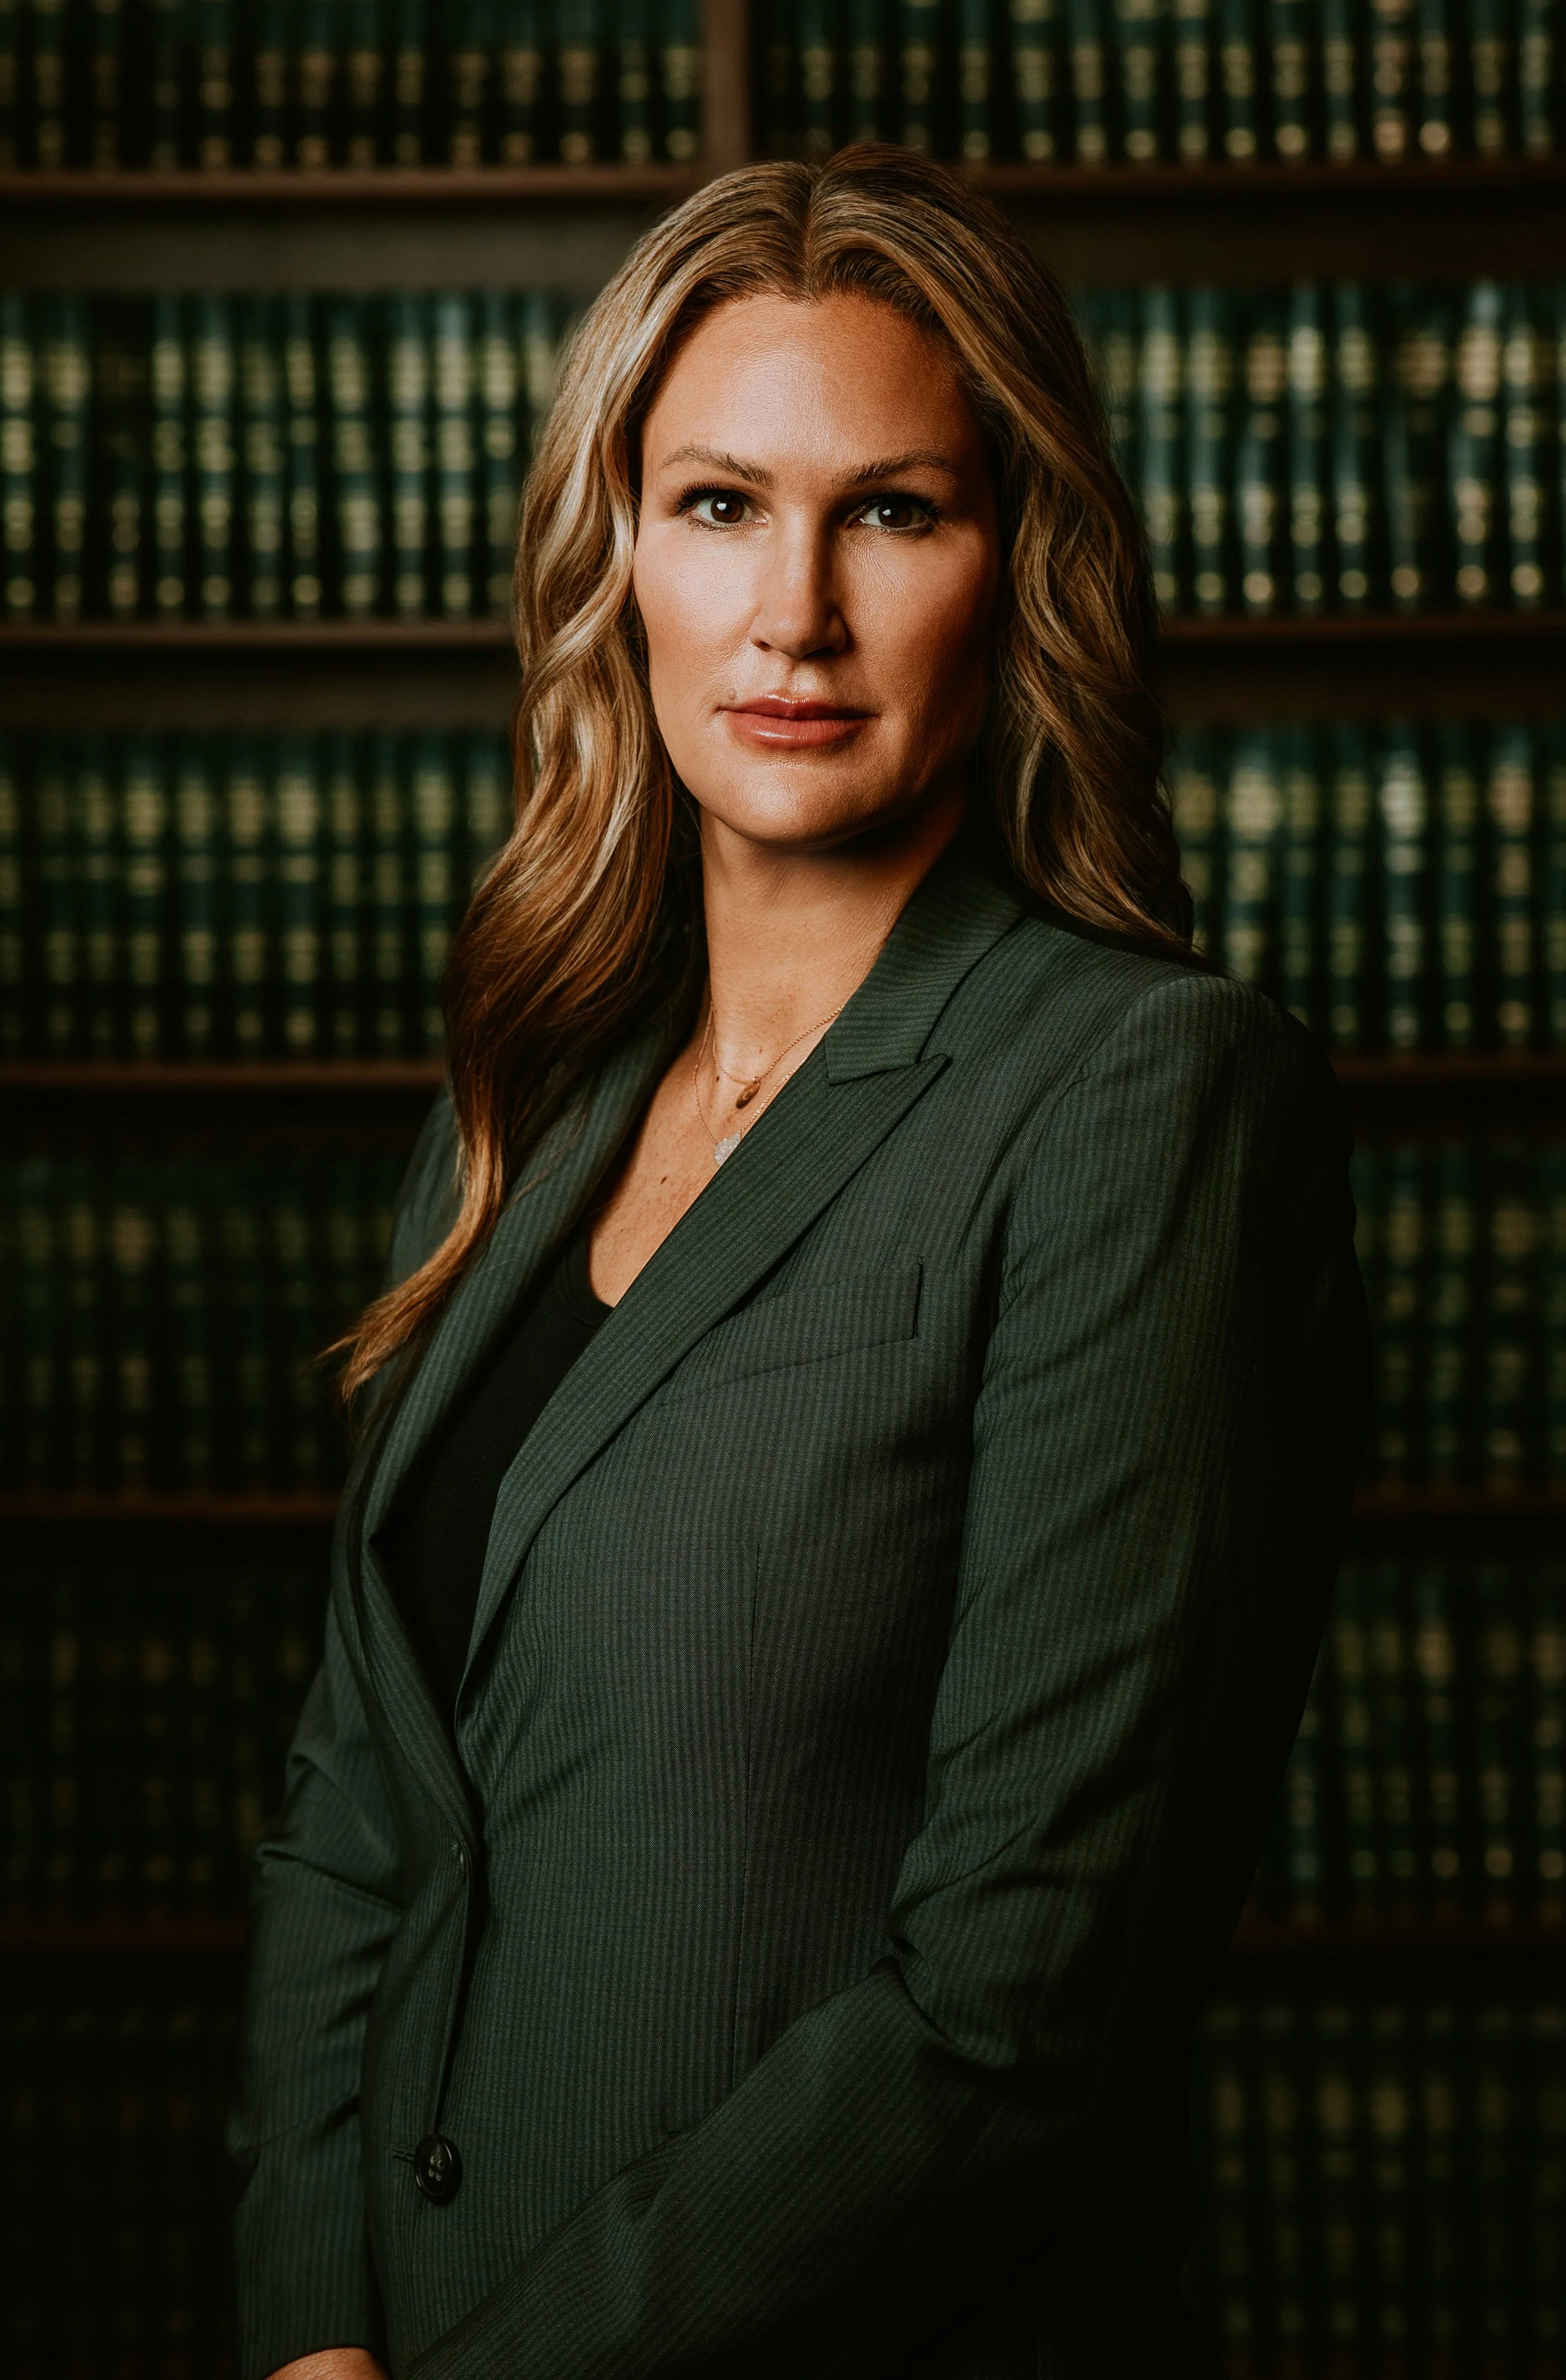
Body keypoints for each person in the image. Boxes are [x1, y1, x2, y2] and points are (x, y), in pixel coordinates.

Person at [229, 148, 1369, 2380]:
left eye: (896, 511)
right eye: (722, 506)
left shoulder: (1144, 1105)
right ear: (617, 555)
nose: (794, 619)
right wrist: (309, 2336)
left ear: (1012, 563)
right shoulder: (523, 1115)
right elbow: (357, 1816)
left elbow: (1017, 1990)